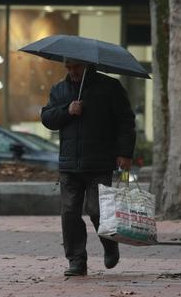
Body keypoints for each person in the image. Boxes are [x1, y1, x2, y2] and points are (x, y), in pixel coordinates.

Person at [41, 58, 135, 276]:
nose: (72, 71)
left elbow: (125, 121)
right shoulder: (60, 89)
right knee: (69, 213)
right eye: (68, 67)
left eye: (76, 67)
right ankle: (76, 260)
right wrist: (67, 110)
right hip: (69, 164)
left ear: (87, 64)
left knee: (96, 210)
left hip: (99, 162)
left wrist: (125, 153)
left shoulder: (110, 87)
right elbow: (47, 117)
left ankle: (110, 245)